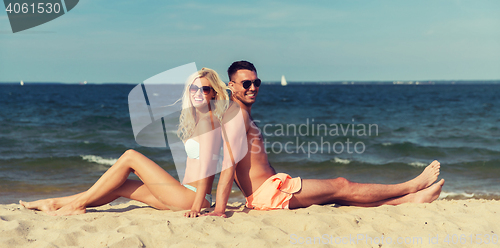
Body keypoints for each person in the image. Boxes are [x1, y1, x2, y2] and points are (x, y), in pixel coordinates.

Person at [203, 61, 445, 217]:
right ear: (231, 85)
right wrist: (221, 210)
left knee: (339, 196)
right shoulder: (237, 117)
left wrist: (249, 196)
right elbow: (229, 166)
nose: (253, 87)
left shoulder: (240, 113)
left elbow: (244, 165)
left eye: (257, 82)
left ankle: (411, 199)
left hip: (269, 190)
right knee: (341, 185)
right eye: (246, 83)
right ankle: (410, 186)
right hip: (269, 194)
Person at [20, 68, 229, 217]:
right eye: (194, 88)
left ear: (214, 94)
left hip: (191, 198)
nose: (198, 93)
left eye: (205, 89)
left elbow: (206, 168)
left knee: (130, 156)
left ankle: (77, 205)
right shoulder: (202, 121)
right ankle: (53, 203)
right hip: (186, 195)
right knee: (121, 186)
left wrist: (195, 207)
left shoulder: (208, 123)